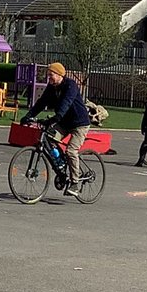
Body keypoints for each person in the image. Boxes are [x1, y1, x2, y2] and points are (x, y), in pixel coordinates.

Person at [21, 62, 91, 196]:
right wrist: (28, 116)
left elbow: (67, 102)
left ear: (59, 75)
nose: (49, 78)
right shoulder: (52, 87)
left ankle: (75, 183)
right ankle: (61, 165)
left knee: (71, 151)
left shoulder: (70, 85)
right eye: (48, 75)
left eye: (51, 75)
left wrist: (56, 117)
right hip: (64, 122)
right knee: (48, 138)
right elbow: (42, 103)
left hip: (79, 123)